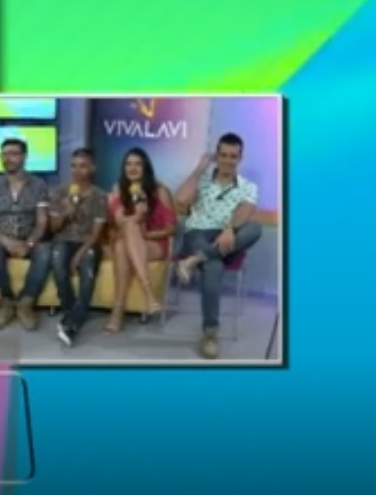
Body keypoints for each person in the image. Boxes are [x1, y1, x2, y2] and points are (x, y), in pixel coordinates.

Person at [171, 133, 264, 359]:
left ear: (240, 158)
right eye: (223, 155)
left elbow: (245, 212)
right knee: (214, 265)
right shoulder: (201, 180)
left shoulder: (248, 186)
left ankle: (193, 261)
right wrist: (199, 168)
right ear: (216, 155)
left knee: (255, 228)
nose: (227, 160)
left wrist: (230, 229)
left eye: (233, 156)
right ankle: (210, 333)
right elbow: (181, 200)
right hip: (197, 234)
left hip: (227, 236)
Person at [0, 137, 53, 330]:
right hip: (2, 238)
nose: (7, 158)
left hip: (30, 237)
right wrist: (6, 240)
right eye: (4, 154)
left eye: (13, 154)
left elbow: (42, 220)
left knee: (45, 251)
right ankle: (5, 303)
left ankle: (26, 303)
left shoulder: (38, 184)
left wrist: (28, 243)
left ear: (24, 157)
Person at [104, 147, 174, 333]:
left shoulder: (160, 191)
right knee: (122, 242)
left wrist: (145, 234)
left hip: (155, 243)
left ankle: (117, 312)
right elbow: (120, 221)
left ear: (146, 168)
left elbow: (170, 228)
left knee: (126, 238)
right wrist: (137, 214)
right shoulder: (118, 190)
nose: (132, 168)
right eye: (128, 164)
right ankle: (148, 294)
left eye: (137, 164)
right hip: (127, 241)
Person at [48, 148, 109, 346]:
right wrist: (65, 212)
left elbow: (96, 233)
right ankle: (72, 313)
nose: (76, 170)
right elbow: (53, 228)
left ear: (92, 168)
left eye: (82, 166)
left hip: (88, 242)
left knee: (88, 262)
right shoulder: (59, 192)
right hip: (63, 239)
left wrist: (79, 254)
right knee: (57, 259)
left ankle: (73, 320)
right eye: (73, 166)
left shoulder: (100, 196)